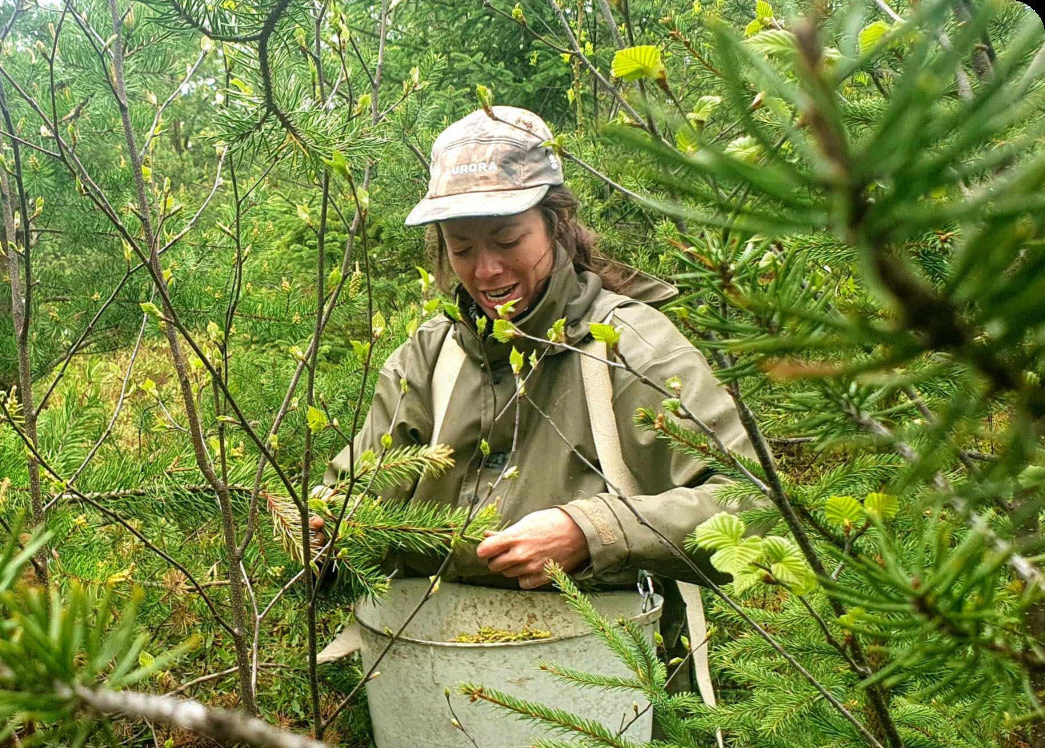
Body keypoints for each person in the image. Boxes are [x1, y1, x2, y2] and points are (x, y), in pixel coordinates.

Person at [309, 105, 758, 598]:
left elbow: (754, 504)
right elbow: (355, 499)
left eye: (508, 240)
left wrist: (592, 531)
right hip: (427, 659)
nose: (485, 272)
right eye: (461, 249)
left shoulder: (631, 345)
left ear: (557, 224)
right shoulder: (429, 357)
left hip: (606, 662)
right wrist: (323, 529)